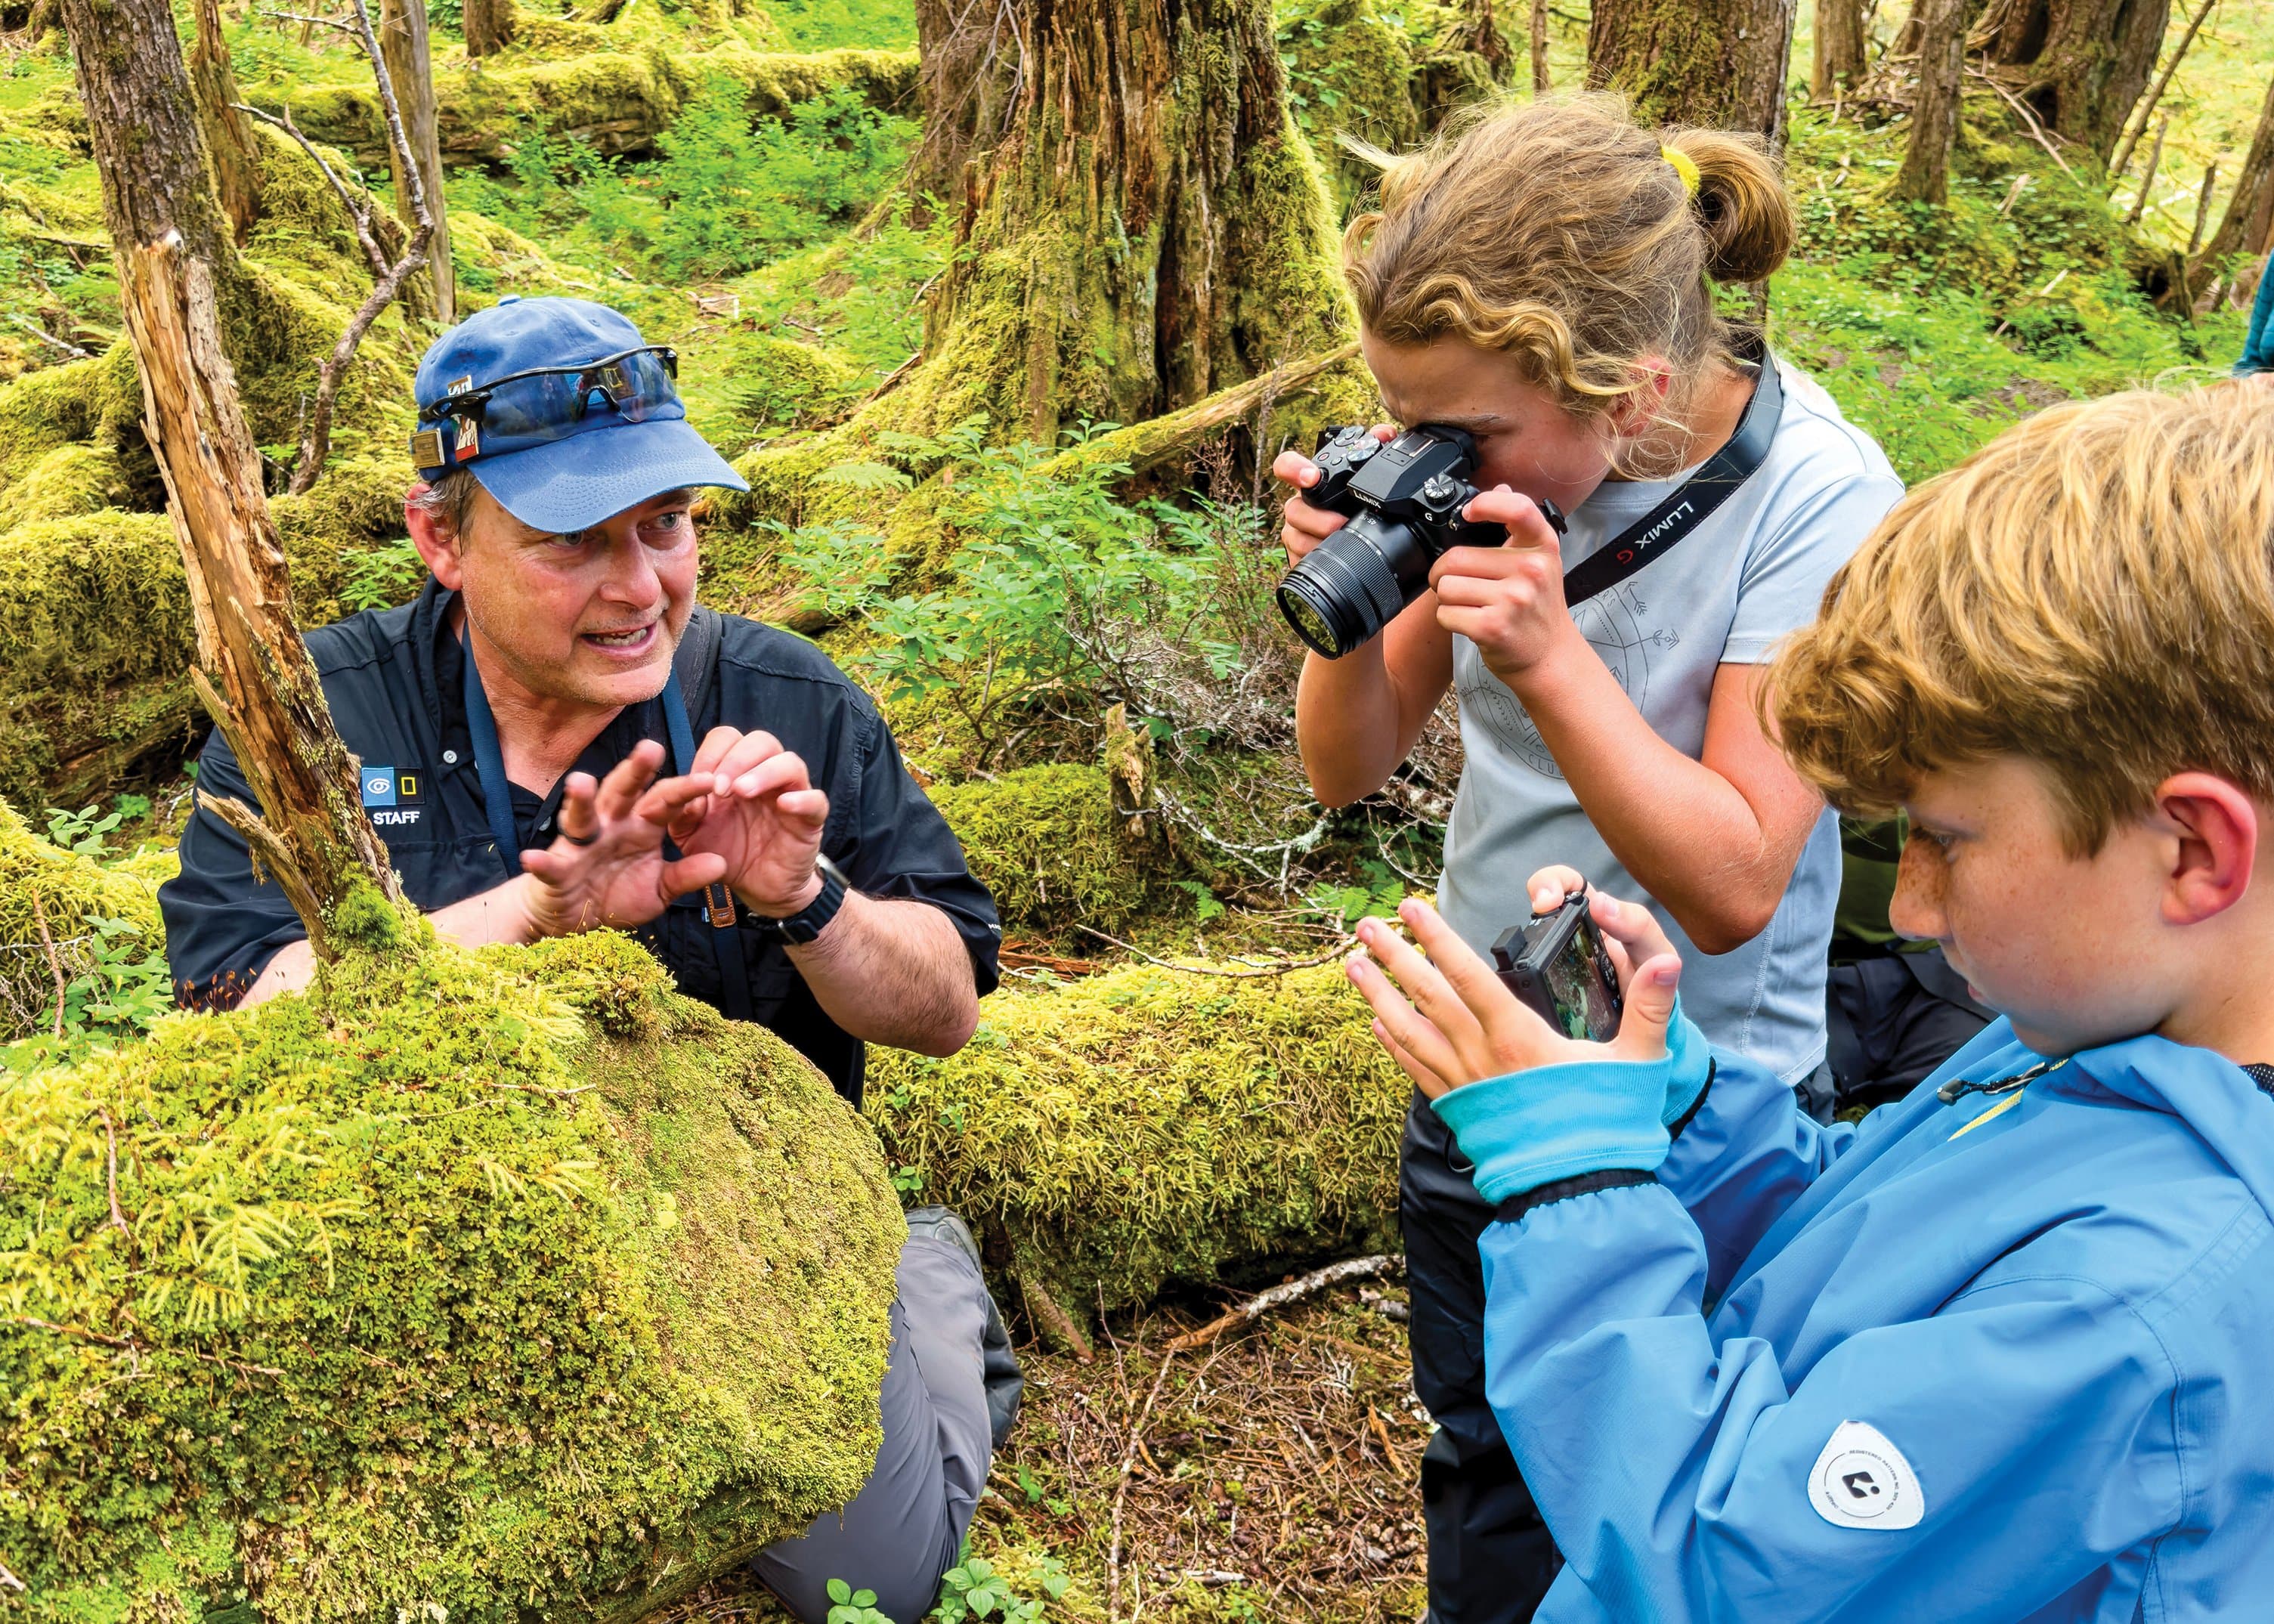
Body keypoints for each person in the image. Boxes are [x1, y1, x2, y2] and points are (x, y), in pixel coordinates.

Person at [1341, 383, 2274, 1619]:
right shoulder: (2106, 1039)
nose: (1910, 913)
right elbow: (1861, 1232)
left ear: (2194, 851)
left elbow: (1718, 1573)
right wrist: (1674, 1105)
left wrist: (1576, 1190)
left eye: (1942, 838)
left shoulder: (2148, 1300)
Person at [159, 295, 1019, 1624]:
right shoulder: (323, 718)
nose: (639, 587)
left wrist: (804, 893)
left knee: (875, 1580)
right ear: (438, 536)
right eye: (573, 541)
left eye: (664, 525)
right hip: (443, 1234)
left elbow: (947, 1005)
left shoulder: (787, 703)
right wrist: (537, 916)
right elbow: (229, 1015)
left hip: (751, 1230)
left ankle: (921, 1274)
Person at [1271, 94, 1902, 1616]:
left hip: (1701, 1104)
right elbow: (1343, 763)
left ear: (1622, 387)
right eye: (1407, 420)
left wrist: (1553, 659)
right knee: (1485, 1457)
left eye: (1466, 433)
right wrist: (1344, 592)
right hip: (1486, 1064)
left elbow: (1738, 876)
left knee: (1666, 1498)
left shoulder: (1812, 498)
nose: (1437, 457)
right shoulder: (1492, 472)